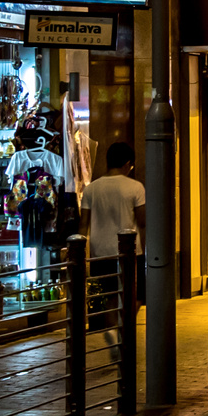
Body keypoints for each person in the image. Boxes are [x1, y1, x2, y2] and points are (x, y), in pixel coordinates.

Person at [79, 143, 146, 354]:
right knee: (135, 295)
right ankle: (122, 329)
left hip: (100, 252)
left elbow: (84, 224)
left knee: (110, 294)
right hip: (130, 251)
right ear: (128, 164)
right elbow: (142, 220)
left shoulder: (91, 189)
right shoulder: (135, 187)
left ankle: (114, 332)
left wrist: (81, 252)